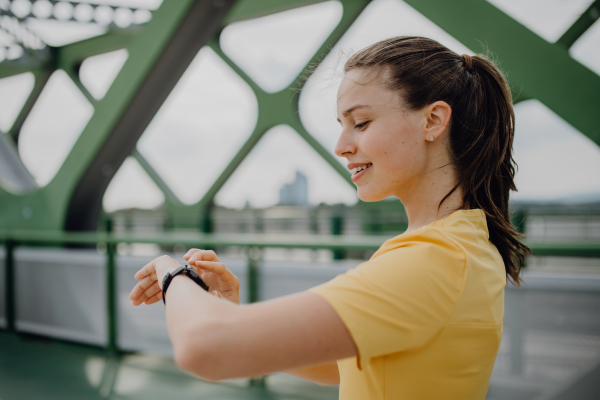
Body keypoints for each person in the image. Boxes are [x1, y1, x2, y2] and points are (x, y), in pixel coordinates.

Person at [129, 36, 529, 399]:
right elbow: (335, 367)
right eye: (342, 126)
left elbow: (205, 349)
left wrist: (173, 274)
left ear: (433, 120)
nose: (341, 146)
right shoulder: (462, 243)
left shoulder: (435, 258)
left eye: (361, 123)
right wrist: (232, 314)